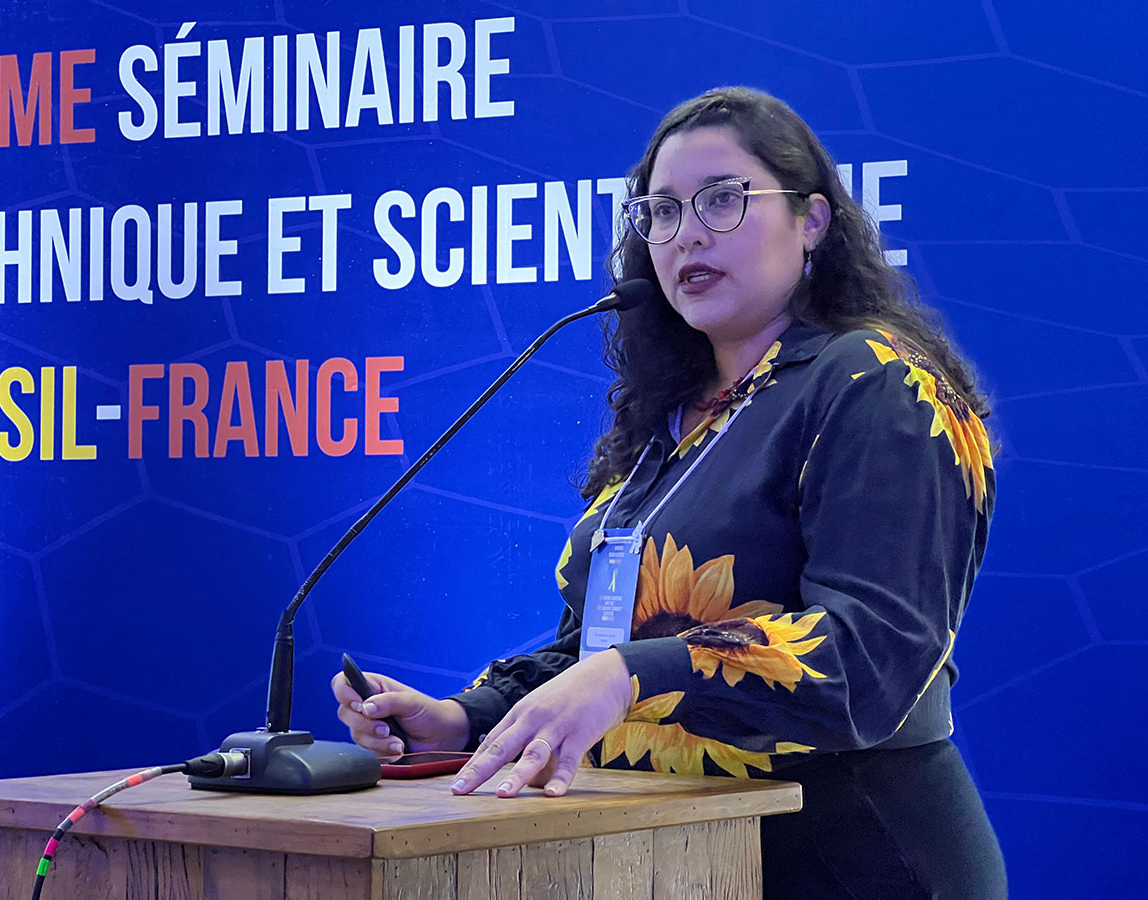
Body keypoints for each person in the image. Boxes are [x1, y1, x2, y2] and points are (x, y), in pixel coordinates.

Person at [332, 86, 1007, 898]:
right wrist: (463, 718)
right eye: (661, 212)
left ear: (812, 220)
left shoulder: (879, 385)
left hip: (855, 852)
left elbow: (873, 655)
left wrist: (634, 673)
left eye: (722, 200)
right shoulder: (673, 420)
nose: (687, 233)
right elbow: (601, 644)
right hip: (679, 853)